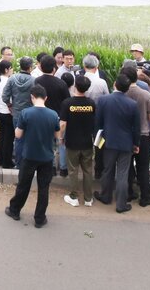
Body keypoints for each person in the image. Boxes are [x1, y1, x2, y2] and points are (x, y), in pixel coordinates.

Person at [5, 85, 58, 228]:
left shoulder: (26, 113)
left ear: (32, 97)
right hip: (47, 157)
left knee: (23, 185)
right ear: (46, 98)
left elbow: (18, 134)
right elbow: (57, 135)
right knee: (44, 188)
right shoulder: (53, 114)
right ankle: (39, 218)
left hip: (29, 156)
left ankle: (15, 210)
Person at [94, 75, 140, 213]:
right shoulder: (132, 104)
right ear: (127, 89)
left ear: (114, 84)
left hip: (108, 141)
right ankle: (121, 204)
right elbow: (136, 127)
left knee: (108, 170)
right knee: (122, 174)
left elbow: (98, 122)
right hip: (126, 143)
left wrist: (98, 137)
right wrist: (136, 143)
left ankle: (105, 196)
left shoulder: (103, 100)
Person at [120, 62, 150, 205]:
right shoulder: (145, 94)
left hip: (126, 135)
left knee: (127, 166)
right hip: (143, 134)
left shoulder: (121, 94)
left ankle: (129, 193)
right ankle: (145, 197)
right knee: (143, 167)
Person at [58, 74, 98, 207]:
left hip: (72, 143)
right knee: (87, 170)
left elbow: (62, 124)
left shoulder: (67, 103)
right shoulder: (91, 104)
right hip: (87, 142)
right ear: (87, 88)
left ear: (75, 86)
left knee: (73, 170)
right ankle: (88, 198)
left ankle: (74, 197)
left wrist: (60, 137)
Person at [35, 57, 71, 176]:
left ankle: (51, 167)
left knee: (47, 143)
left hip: (42, 116)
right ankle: (63, 168)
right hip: (59, 117)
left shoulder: (37, 81)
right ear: (54, 68)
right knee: (61, 142)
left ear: (41, 66)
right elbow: (67, 102)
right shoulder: (61, 83)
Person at [3, 57, 36, 164]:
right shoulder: (33, 81)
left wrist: (10, 105)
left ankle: (18, 163)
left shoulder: (12, 79)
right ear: (30, 67)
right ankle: (28, 162)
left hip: (16, 113)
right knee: (30, 139)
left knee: (18, 139)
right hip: (30, 113)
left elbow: (5, 96)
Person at [0, 60, 16, 169]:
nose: (12, 70)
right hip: (7, 112)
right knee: (9, 138)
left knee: (2, 136)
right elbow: (10, 98)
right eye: (11, 68)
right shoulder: (8, 81)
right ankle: (7, 162)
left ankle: (1, 159)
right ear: (6, 70)